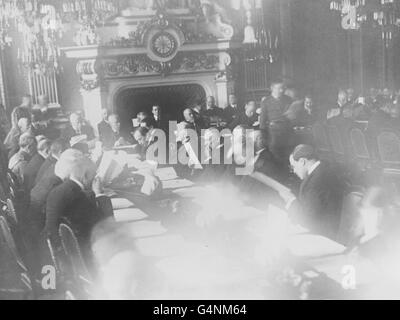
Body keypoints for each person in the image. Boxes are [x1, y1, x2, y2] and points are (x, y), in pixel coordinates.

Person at [44, 153, 110, 254]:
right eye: (94, 175)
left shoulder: (64, 189)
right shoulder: (77, 195)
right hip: (81, 253)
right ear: (85, 175)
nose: (95, 179)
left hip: (65, 249)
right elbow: (105, 225)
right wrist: (99, 194)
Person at [279, 144, 346, 240]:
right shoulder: (323, 170)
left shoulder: (316, 181)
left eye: (293, 166)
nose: (293, 171)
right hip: (325, 230)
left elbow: (308, 219)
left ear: (302, 161)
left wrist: (291, 201)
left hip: (322, 236)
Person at [260, 81, 294, 164]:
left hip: (287, 131)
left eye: (283, 88)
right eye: (279, 88)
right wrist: (263, 136)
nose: (282, 90)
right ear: (272, 88)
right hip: (273, 133)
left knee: (289, 154)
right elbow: (262, 120)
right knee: (275, 155)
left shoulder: (288, 99)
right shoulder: (266, 101)